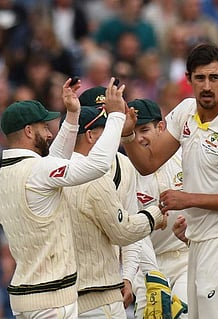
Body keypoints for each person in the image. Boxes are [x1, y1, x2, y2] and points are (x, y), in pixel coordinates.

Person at [122, 43, 218, 318]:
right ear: (188, 79)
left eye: (214, 78)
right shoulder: (186, 111)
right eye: (200, 78)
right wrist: (128, 136)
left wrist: (188, 199)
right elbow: (148, 163)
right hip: (196, 243)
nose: (207, 86)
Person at [0, 77, 126, 318]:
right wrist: (116, 116)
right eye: (44, 128)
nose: (49, 134)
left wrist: (73, 115)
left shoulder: (5, 175)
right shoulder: (37, 171)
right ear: (28, 130)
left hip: (25, 298)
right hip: (52, 301)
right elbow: (95, 166)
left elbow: (55, 162)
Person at [62, 105, 167, 318]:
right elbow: (123, 232)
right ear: (90, 136)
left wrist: (128, 276)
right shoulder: (95, 178)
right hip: (98, 298)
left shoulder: (49, 171)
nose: (112, 140)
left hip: (60, 298)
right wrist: (155, 214)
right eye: (106, 134)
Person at [128, 98, 188, 318]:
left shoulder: (183, 157)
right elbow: (133, 229)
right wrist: (152, 273)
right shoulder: (126, 170)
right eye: (133, 132)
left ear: (160, 127)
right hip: (148, 265)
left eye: (144, 129)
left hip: (185, 258)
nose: (139, 138)